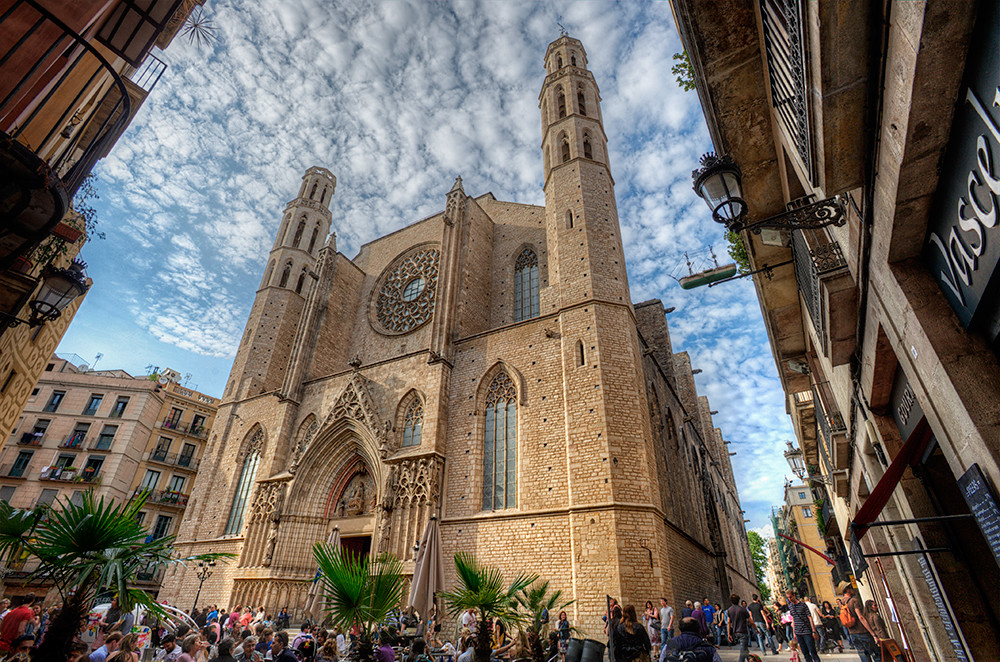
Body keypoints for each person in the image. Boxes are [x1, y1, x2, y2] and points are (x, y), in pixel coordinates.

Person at [838, 582, 879, 662]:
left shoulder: (841, 603)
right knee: (876, 654)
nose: (853, 589)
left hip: (852, 634)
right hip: (862, 632)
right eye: (851, 587)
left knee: (864, 656)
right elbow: (861, 617)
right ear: (847, 590)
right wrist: (873, 634)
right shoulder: (854, 601)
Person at [784, 591, 819, 662]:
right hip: (798, 632)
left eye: (790, 597)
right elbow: (793, 619)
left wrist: (813, 631)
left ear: (794, 595)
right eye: (788, 598)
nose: (789, 599)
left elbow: (809, 617)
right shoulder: (790, 606)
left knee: (812, 651)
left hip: (807, 631)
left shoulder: (803, 605)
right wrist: (794, 632)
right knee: (805, 652)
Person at [725, 594, 750, 662]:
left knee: (745, 649)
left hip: (735, 632)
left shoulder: (729, 610)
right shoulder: (743, 610)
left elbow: (728, 622)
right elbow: (751, 621)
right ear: (739, 600)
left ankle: (750, 660)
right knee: (743, 651)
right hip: (743, 632)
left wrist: (729, 634)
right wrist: (756, 629)